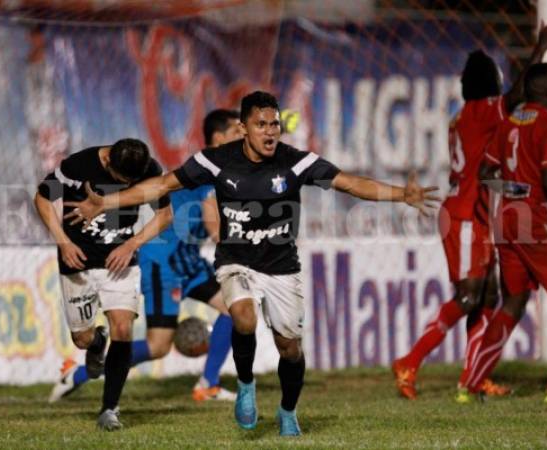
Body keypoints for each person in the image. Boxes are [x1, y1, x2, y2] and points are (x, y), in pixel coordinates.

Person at [64, 91, 439, 436]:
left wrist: (399, 195)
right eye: (261, 124)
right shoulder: (215, 161)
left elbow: (349, 183)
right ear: (243, 128)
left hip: (281, 267)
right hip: (235, 262)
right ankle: (245, 384)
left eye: (274, 123)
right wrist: (107, 202)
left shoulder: (296, 162)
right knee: (241, 315)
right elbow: (160, 186)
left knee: (289, 347)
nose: (270, 131)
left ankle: (288, 411)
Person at [392, 15, 547, 400]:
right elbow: (519, 96)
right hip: (466, 213)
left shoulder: (465, 116)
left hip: (477, 211)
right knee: (471, 294)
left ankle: (472, 376)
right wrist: (540, 46)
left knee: (486, 296)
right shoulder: (484, 110)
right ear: (492, 83)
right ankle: (409, 360)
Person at [48, 110, 242, 405]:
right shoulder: (210, 168)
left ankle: (208, 384)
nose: (244, 138)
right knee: (158, 346)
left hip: (186, 260)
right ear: (218, 139)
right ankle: (77, 374)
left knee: (235, 309)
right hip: (163, 263)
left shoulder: (227, 169)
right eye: (237, 133)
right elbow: (213, 223)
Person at [457, 62, 547, 403]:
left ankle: (470, 385)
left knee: (513, 302)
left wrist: (513, 189)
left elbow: (486, 171)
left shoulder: (509, 122)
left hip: (508, 222)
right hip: (539, 220)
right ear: (546, 92)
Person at [35, 138, 173, 430]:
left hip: (120, 262)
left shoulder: (149, 169)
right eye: (123, 181)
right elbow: (43, 198)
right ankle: (97, 343)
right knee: (82, 340)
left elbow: (165, 215)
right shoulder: (77, 166)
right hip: (78, 261)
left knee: (123, 328)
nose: (128, 186)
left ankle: (109, 408)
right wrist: (63, 242)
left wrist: (132, 244)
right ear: (108, 160)